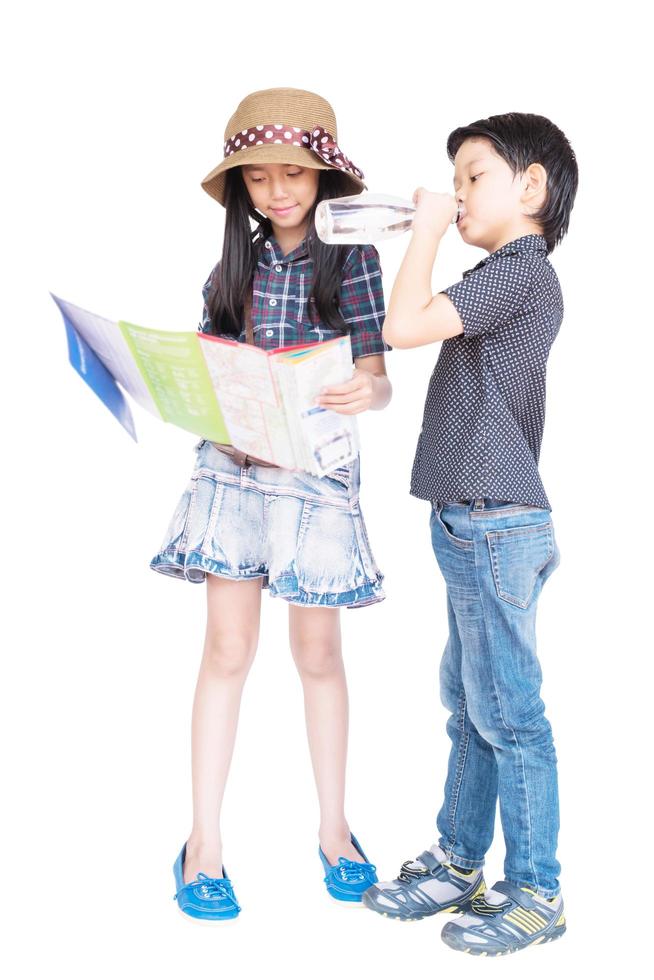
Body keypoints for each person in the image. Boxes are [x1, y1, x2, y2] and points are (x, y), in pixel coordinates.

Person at [150, 87, 392, 920]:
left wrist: (369, 388)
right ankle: (203, 844)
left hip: (315, 472)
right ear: (243, 189)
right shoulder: (232, 267)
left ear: (322, 178)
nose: (279, 190)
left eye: (294, 173)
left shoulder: (353, 261)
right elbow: (216, 371)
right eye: (260, 178)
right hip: (236, 473)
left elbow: (378, 373)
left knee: (318, 654)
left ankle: (334, 831)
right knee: (226, 649)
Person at [361, 112, 577, 957]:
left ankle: (537, 892)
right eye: (452, 184)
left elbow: (402, 327)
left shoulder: (523, 273)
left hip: (497, 522)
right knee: (469, 706)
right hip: (467, 521)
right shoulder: (498, 275)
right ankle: (459, 859)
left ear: (532, 187)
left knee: (510, 715)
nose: (456, 195)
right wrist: (431, 225)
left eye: (472, 177)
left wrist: (420, 233)